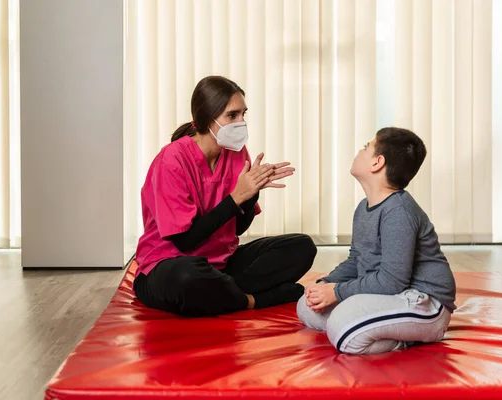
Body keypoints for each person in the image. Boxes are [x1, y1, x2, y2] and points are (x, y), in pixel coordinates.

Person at [133, 75, 317, 317]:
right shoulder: (172, 160)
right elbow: (184, 241)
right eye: (232, 115)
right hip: (168, 265)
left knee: (302, 246)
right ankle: (252, 300)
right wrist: (235, 198)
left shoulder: (238, 154)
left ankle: (220, 292)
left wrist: (251, 194)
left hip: (220, 265)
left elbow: (238, 228)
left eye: (244, 114)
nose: (241, 122)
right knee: (186, 276)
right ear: (207, 118)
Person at [297, 127, 456, 354]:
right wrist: (326, 284)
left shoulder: (399, 211)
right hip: (390, 294)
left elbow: (393, 281)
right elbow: (356, 260)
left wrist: (338, 292)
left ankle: (408, 337)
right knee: (307, 307)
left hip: (424, 302)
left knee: (342, 328)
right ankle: (373, 326)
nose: (360, 151)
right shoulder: (364, 208)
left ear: (377, 163)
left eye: (366, 147)